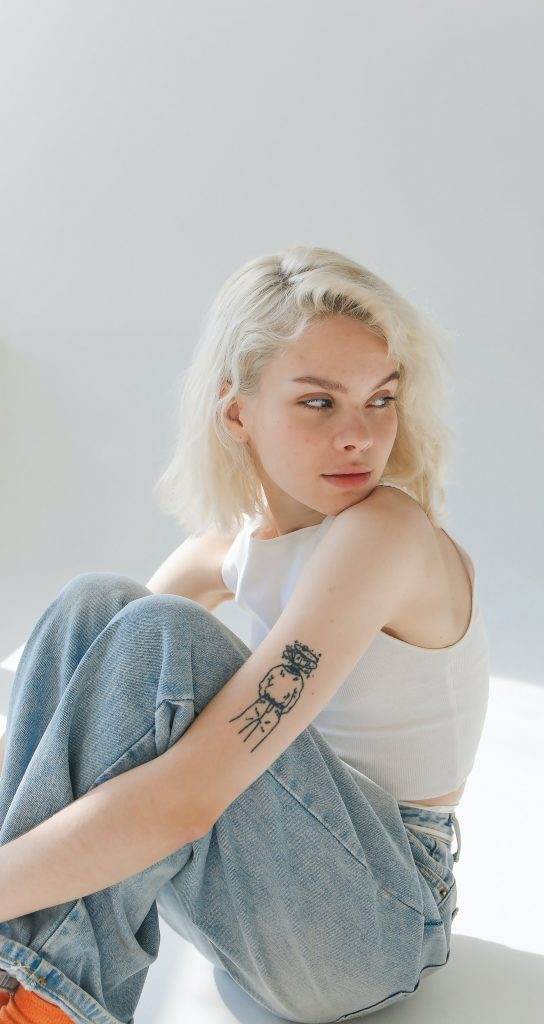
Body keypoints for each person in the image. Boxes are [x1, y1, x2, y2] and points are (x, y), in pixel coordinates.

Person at [0, 245, 489, 1024]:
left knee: (163, 635)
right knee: (94, 606)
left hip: (380, 914)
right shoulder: (230, 549)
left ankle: (32, 994)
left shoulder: (385, 534)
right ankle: (23, 981)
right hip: (273, 898)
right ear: (236, 414)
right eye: (319, 402)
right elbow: (86, 707)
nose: (360, 436)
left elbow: (186, 798)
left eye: (381, 399)